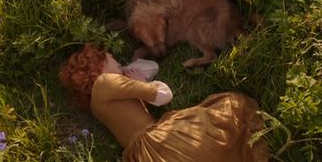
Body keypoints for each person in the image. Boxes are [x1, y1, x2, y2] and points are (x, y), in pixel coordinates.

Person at [59, 42, 269, 161]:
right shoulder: (106, 81)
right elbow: (163, 95)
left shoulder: (97, 106)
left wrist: (131, 77)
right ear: (99, 64)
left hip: (140, 156)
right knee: (230, 107)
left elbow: (150, 67)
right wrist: (143, 84)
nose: (119, 63)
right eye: (112, 59)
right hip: (160, 142)